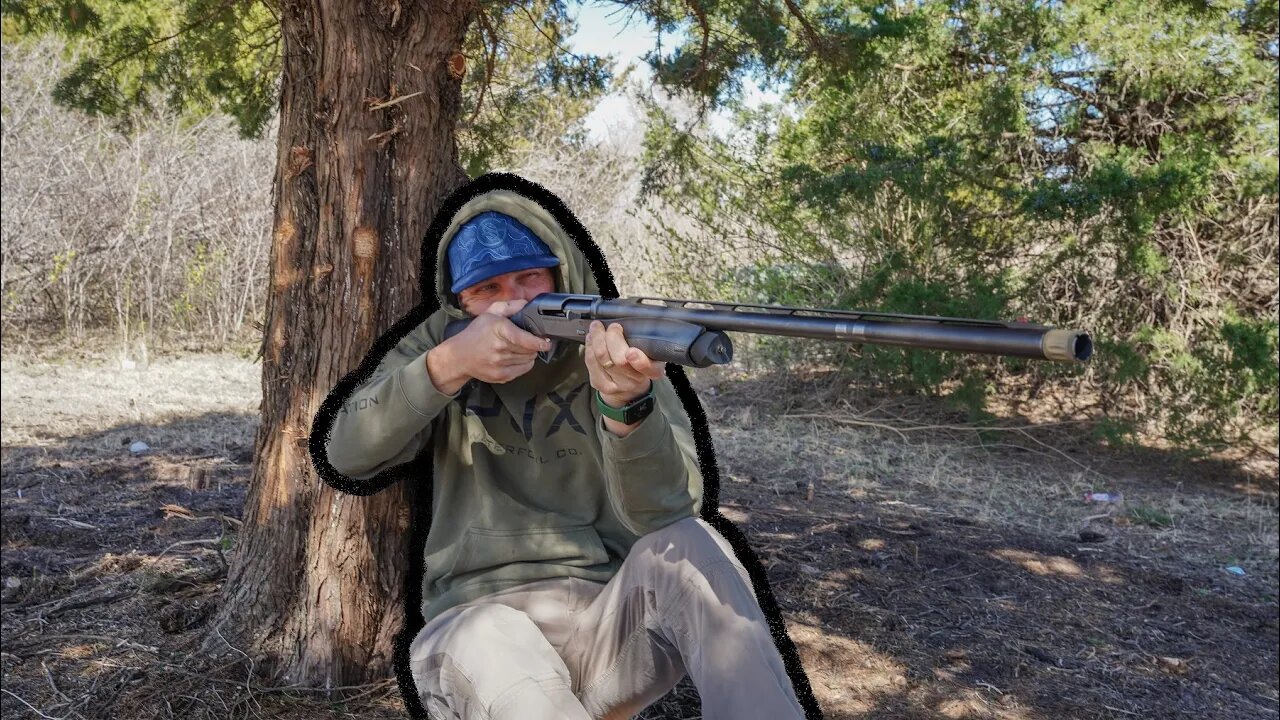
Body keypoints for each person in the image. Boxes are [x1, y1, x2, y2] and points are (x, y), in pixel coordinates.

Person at [323, 179, 806, 720]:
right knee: (492, 638)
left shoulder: (616, 341)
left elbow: (668, 512)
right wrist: (447, 366)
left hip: (607, 622)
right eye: (487, 288)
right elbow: (346, 453)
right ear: (460, 300)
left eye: (530, 276)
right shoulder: (439, 340)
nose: (512, 299)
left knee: (693, 543)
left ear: (560, 274)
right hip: (474, 623)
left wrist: (628, 407)